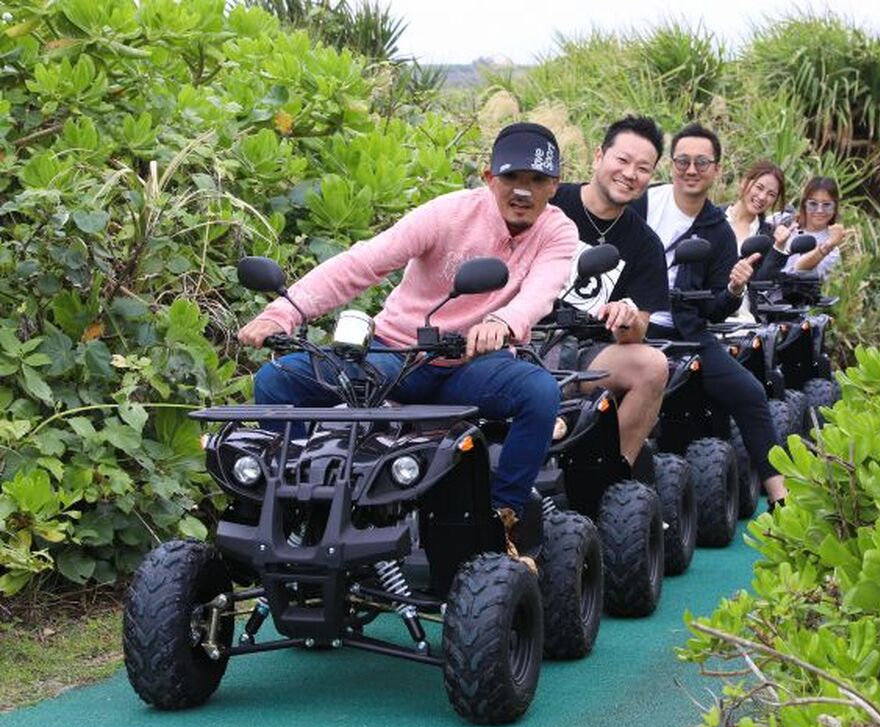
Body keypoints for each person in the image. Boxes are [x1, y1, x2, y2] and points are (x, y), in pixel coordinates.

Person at [237, 122, 581, 571]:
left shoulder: (558, 231)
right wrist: (283, 313)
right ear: (488, 177)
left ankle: (502, 521)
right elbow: (362, 263)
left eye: (536, 180)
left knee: (540, 392)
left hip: (472, 366)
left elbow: (541, 291)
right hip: (395, 356)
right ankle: (305, 511)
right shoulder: (447, 213)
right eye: (512, 177)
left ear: (554, 185)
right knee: (276, 381)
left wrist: (503, 321)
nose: (523, 191)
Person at [633, 122, 787, 509]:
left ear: (716, 169)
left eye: (702, 162)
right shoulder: (644, 204)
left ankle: (781, 498)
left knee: (751, 393)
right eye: (683, 161)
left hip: (688, 333)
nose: (692, 169)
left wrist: (734, 288)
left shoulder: (718, 230)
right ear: (671, 164)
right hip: (632, 326)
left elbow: (715, 308)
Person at [547, 115, 671, 465]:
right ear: (599, 156)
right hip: (522, 338)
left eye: (643, 168)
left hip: (586, 355)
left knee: (653, 365)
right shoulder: (551, 202)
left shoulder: (646, 244)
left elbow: (638, 331)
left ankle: (609, 471)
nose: (630, 174)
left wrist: (626, 318)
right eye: (623, 160)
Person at [723, 160, 791, 321]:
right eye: (759, 187)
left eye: (771, 194)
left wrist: (779, 247)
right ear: (744, 183)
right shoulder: (713, 218)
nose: (762, 197)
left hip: (744, 318)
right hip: (709, 313)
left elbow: (762, 282)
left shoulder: (767, 235)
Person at [781, 176, 848, 278]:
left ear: (835, 207)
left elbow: (798, 269)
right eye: (813, 204)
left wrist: (827, 246)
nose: (819, 210)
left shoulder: (832, 247)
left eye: (826, 205)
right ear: (804, 204)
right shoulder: (785, 223)